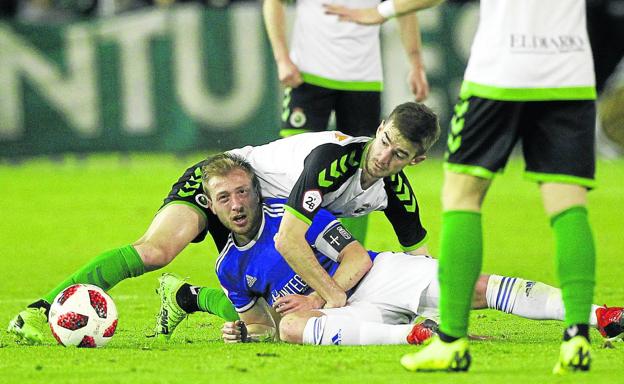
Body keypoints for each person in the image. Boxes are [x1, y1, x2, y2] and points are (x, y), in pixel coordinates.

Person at [8, 102, 440, 344]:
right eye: (384, 142)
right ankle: (40, 309)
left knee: (268, 320)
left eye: (399, 153)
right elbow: (292, 237)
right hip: (231, 181)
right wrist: (329, 296)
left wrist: (438, 317)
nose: (385, 157)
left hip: (266, 209)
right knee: (156, 250)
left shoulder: (395, 192)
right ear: (379, 130)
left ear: (414, 160)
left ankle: (186, 297)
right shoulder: (331, 160)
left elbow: (421, 259)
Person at [326, 0, 601, 374]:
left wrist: (385, 10)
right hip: (570, 71)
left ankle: (452, 342)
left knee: (463, 197)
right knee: (569, 206)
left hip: (501, 68)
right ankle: (577, 336)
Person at [153, 152, 623, 347]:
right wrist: (244, 333)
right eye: (224, 198)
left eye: (242, 191)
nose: (237, 204)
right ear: (211, 209)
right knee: (293, 328)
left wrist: (321, 295)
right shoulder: (230, 268)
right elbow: (265, 326)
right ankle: (418, 337)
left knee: (473, 288)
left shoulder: (289, 217)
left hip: (370, 278)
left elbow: (355, 257)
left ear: (255, 190)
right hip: (349, 315)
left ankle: (599, 314)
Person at [263, 0, 430, 242]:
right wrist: (282, 58)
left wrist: (416, 63)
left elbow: (405, 9)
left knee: (366, 173)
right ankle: (280, 246)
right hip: (308, 75)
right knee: (291, 168)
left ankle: (352, 255)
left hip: (363, 79)